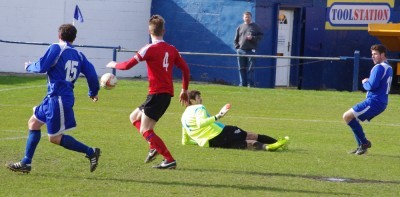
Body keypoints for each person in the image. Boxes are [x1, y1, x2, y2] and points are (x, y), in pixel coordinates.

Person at [6, 24, 101, 173]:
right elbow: (91, 74)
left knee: (54, 138)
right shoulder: (79, 55)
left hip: (59, 99)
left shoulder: (57, 48)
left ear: (59, 36)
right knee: (33, 123)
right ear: (74, 38)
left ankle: (91, 152)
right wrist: (93, 92)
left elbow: (42, 66)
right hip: (53, 98)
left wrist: (29, 66)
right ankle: (26, 163)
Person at [106, 15, 190, 169]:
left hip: (157, 94)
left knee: (146, 129)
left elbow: (126, 66)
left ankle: (169, 159)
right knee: (133, 117)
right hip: (163, 95)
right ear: (163, 31)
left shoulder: (148, 49)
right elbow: (185, 69)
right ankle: (153, 146)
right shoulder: (172, 50)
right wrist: (184, 89)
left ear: (149, 31)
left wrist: (114, 64)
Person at [181, 90, 289, 151]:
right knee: (248, 135)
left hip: (209, 143)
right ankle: (277, 143)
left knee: (242, 143)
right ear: (192, 100)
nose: (201, 99)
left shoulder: (183, 117)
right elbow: (200, 123)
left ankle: (268, 147)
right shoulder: (199, 108)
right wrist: (218, 116)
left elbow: (185, 141)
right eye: (199, 98)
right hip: (219, 133)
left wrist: (199, 141)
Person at [343, 44, 393, 155]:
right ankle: (362, 147)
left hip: (374, 102)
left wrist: (365, 82)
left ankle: (364, 143)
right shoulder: (388, 67)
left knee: (347, 116)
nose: (373, 56)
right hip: (380, 103)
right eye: (372, 54)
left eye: (375, 54)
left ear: (383, 54)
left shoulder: (379, 67)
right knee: (352, 119)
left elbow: (372, 86)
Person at [234, 11, 264, 87]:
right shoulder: (240, 27)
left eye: (248, 17)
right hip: (241, 51)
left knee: (250, 69)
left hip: (251, 51)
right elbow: (236, 39)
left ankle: (250, 84)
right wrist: (237, 48)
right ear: (243, 18)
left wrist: (253, 38)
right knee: (241, 68)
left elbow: (261, 36)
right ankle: (242, 84)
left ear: (251, 17)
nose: (247, 18)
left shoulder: (256, 26)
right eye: (245, 17)